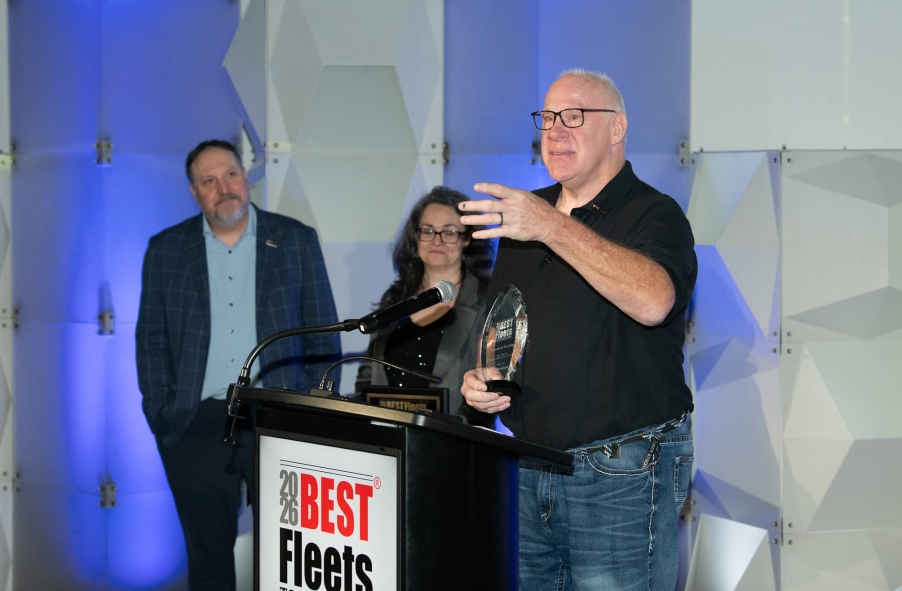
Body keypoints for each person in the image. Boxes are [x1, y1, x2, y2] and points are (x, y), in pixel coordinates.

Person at [459, 69, 698, 590]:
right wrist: (486, 381)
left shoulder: (654, 214)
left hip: (621, 475)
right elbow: (510, 324)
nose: (555, 130)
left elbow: (655, 301)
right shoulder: (527, 216)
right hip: (526, 464)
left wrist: (549, 226)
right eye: (546, 118)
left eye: (574, 117)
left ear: (617, 129)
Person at [135, 139, 341, 591]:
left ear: (244, 177)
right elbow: (150, 338)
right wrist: (162, 410)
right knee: (208, 560)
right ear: (194, 192)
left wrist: (310, 409)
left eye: (230, 174)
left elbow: (323, 332)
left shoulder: (294, 239)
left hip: (279, 416)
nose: (222, 187)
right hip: (195, 422)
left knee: (293, 556)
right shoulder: (166, 250)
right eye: (208, 181)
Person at [355, 186, 493, 421]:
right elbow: (368, 377)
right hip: (387, 443)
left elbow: (489, 390)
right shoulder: (395, 299)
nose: (436, 240)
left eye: (449, 232)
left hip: (456, 446)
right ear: (415, 237)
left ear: (467, 239)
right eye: (428, 230)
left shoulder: (487, 302)